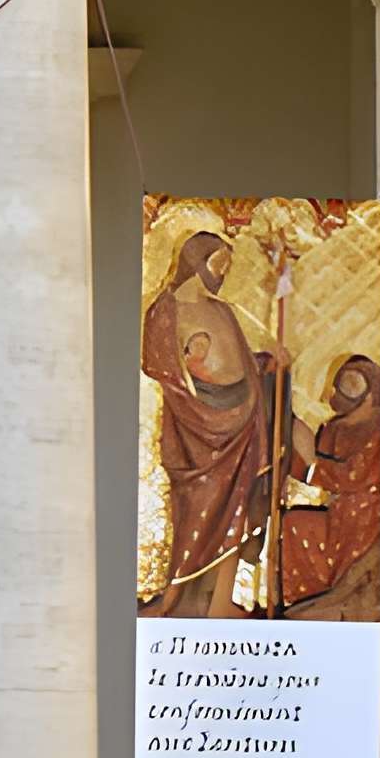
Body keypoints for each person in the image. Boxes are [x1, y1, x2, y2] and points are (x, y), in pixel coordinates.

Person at [139, 229, 288, 618]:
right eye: (218, 264)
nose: (222, 273)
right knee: (198, 517)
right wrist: (190, 360)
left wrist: (263, 365)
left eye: (227, 266)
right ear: (195, 261)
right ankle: (182, 604)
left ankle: (220, 603)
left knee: (236, 516)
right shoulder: (166, 309)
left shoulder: (223, 310)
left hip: (243, 423)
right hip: (198, 430)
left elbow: (238, 361)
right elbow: (156, 363)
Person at [281, 355, 380, 619]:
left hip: (370, 518)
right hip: (339, 515)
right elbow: (311, 465)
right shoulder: (333, 429)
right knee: (294, 523)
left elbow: (353, 475)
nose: (348, 391)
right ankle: (302, 598)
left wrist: (312, 466)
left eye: (356, 384)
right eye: (345, 383)